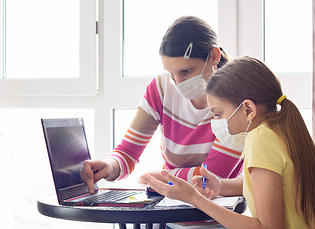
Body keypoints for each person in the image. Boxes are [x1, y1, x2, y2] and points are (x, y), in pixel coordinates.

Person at [140, 56, 315, 229]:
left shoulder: (260, 139)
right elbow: (265, 184)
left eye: (218, 114)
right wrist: (220, 186)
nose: (216, 122)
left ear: (248, 109)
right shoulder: (278, 131)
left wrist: (194, 198)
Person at [80, 16, 244, 194]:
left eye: (186, 71)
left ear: (213, 56)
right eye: (171, 73)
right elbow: (127, 153)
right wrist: (110, 166)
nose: (178, 82)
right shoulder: (161, 88)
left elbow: (213, 177)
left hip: (217, 211)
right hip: (169, 204)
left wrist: (160, 176)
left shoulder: (236, 100)